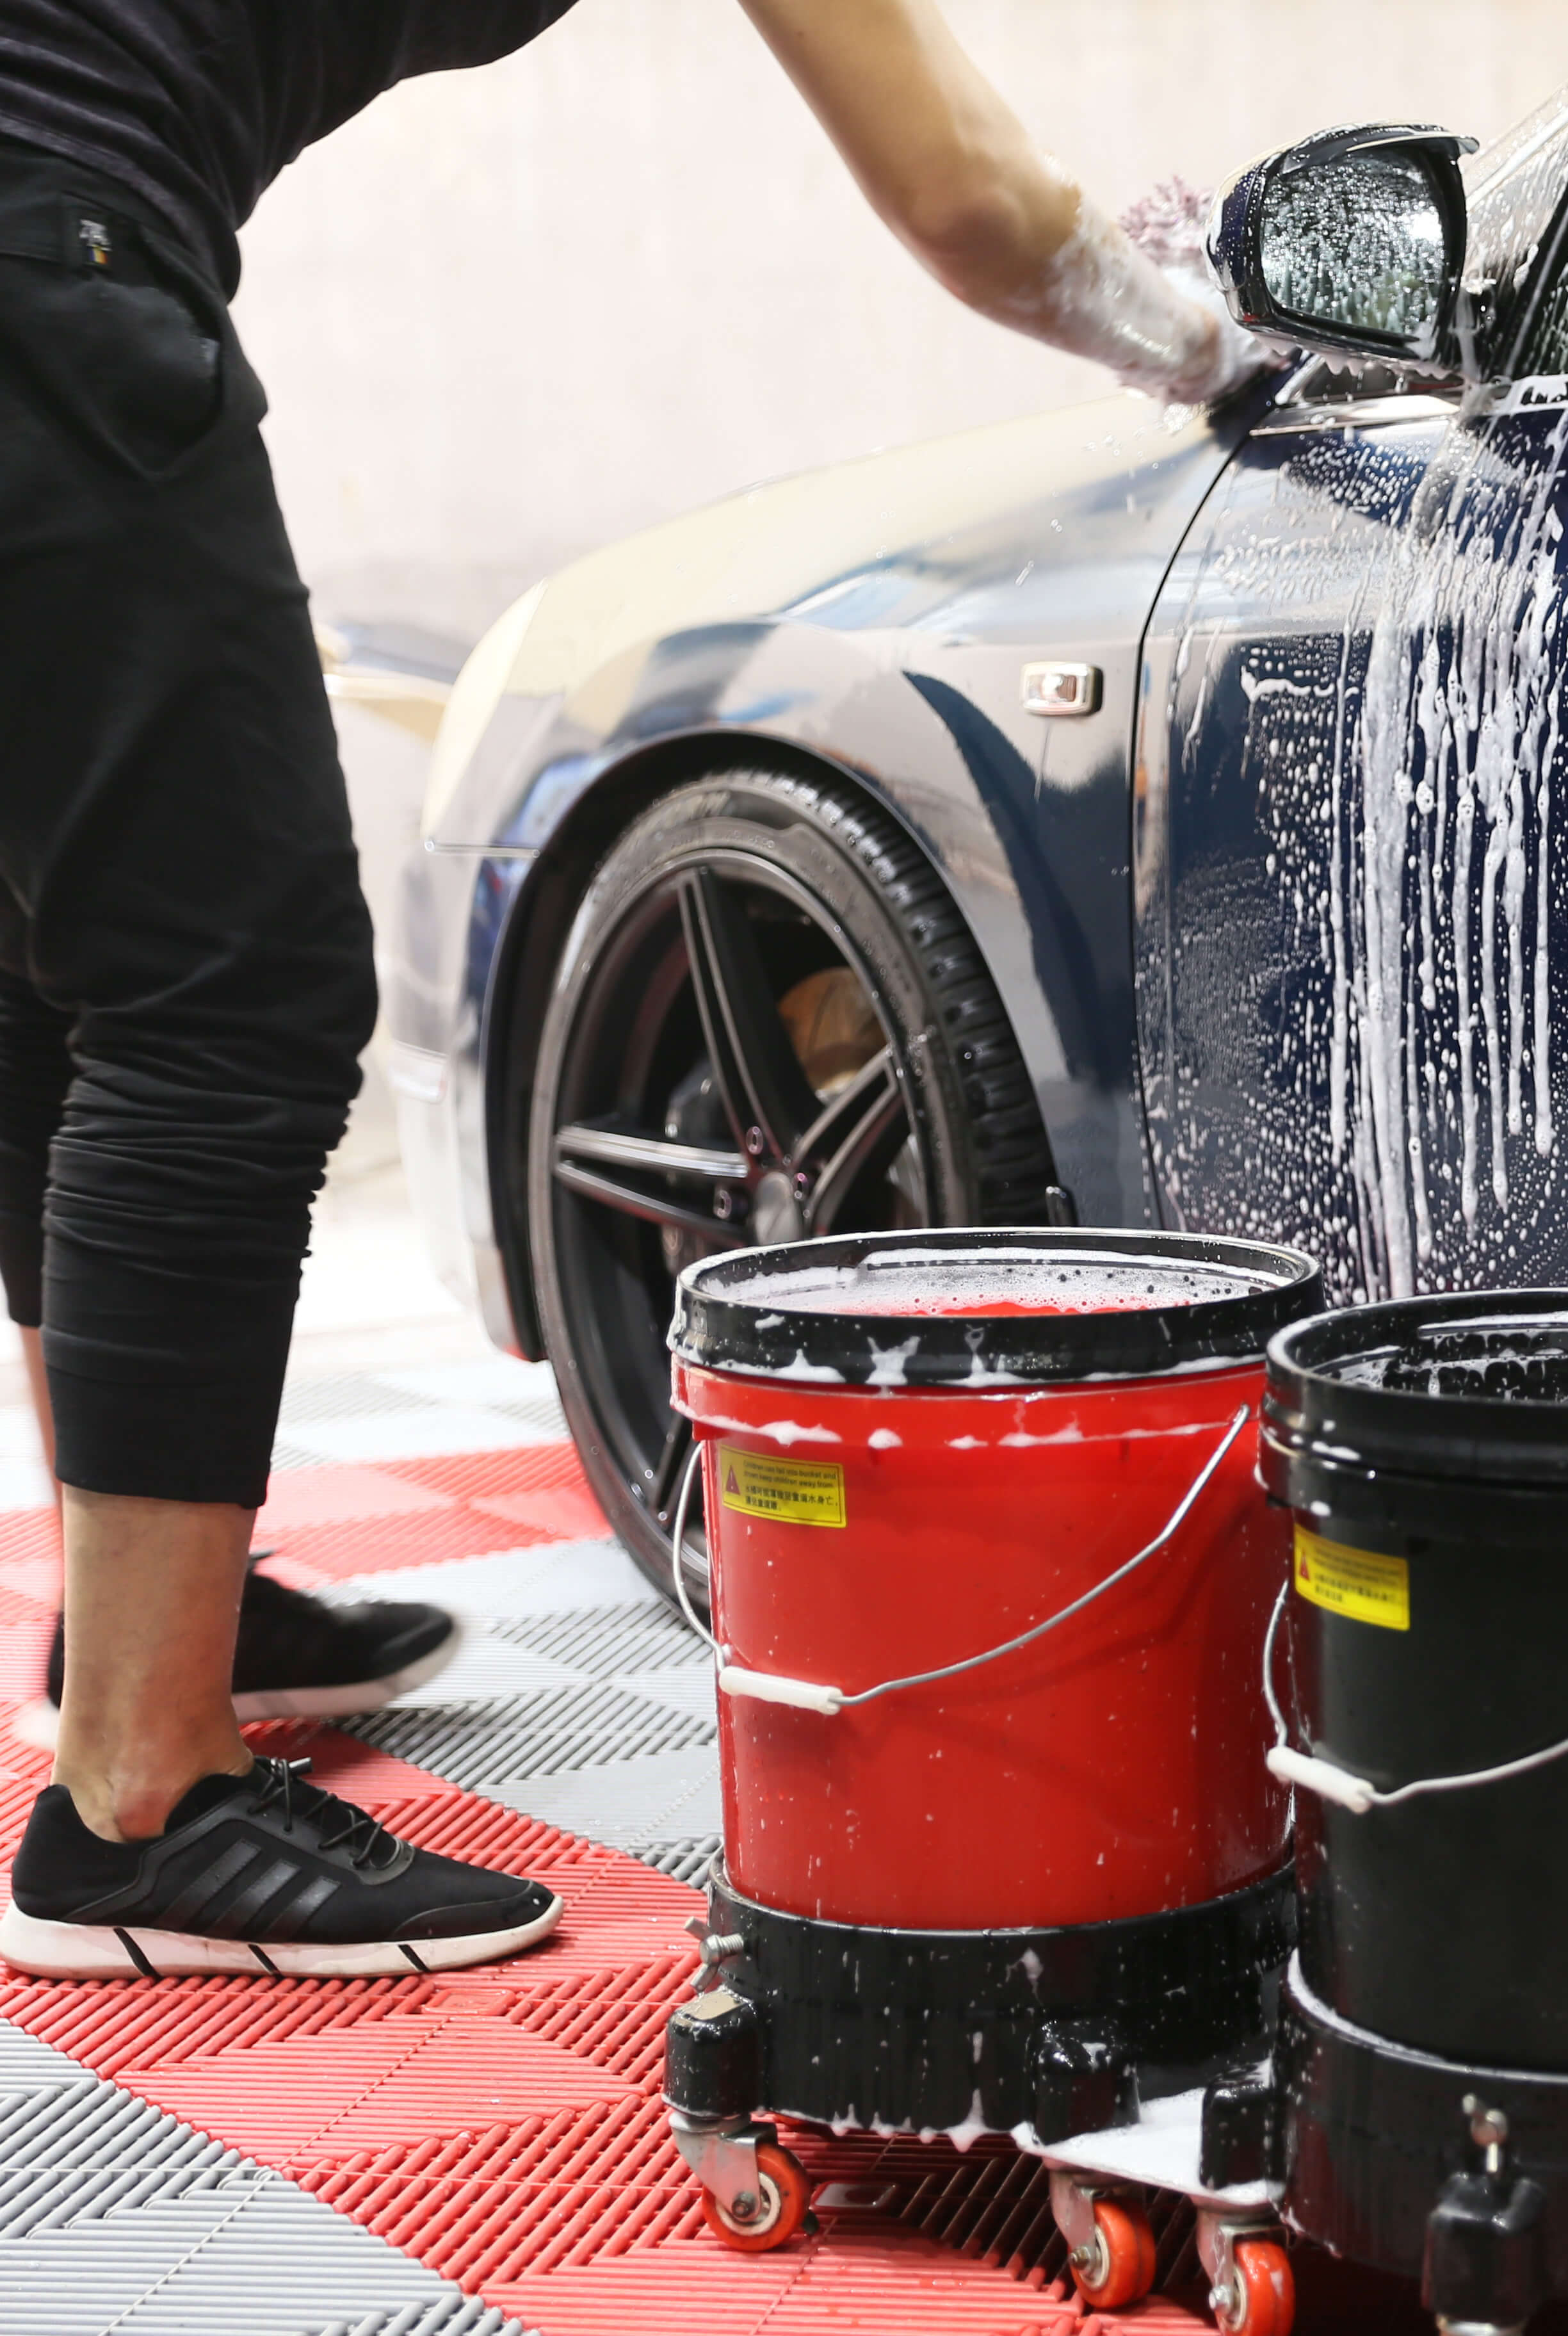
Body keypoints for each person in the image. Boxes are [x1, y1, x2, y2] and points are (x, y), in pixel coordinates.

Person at [0, 0, 1261, 1979]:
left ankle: (153, 1621)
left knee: (66, 982)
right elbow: (975, 202)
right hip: (39, 247)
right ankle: (140, 1795)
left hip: (53, 229)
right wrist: (1216, 343)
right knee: (222, 999)